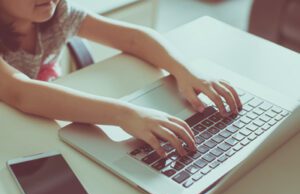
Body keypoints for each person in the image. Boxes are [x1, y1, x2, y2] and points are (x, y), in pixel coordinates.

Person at [0, 0, 242, 157]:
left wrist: (185, 70)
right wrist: (123, 114)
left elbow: (134, 39)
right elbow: (20, 92)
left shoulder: (58, 12)